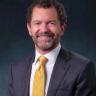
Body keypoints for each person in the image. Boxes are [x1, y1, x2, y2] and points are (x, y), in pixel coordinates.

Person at [8, 0, 96, 96]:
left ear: (62, 28)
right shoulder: (16, 70)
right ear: (29, 28)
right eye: (37, 23)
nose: (44, 30)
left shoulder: (82, 68)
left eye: (51, 23)